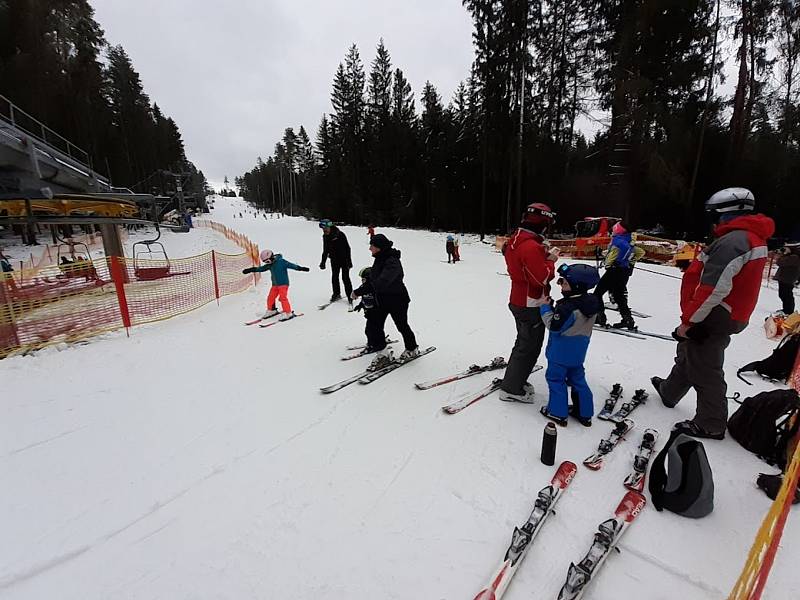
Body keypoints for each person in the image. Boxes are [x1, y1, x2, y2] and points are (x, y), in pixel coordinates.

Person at [652, 188, 775, 439]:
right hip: (724, 310)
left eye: (714, 215)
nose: (713, 221)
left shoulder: (734, 241)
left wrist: (689, 322)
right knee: (689, 353)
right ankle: (670, 390)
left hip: (716, 313)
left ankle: (711, 422)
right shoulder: (747, 237)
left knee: (706, 366)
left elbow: (713, 289)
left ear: (725, 213)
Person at [499, 202, 558, 403]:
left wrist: (543, 254)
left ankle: (515, 381)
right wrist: (551, 260)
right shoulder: (530, 246)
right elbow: (540, 278)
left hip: (520, 299)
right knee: (529, 346)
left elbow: (523, 267)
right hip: (529, 302)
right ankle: (511, 388)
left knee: (524, 343)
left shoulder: (517, 239)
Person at [540, 263, 601, 427]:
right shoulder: (592, 303)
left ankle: (557, 413)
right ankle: (584, 413)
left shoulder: (567, 307)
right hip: (578, 352)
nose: (560, 285)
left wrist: (545, 308)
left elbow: (554, 326)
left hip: (560, 353)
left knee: (556, 380)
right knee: (578, 380)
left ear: (576, 286)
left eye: (564, 282)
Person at [352, 233, 418, 370]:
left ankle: (412, 348)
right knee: (373, 325)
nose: (370, 248)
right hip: (382, 300)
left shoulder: (392, 261)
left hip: (397, 300)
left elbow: (382, 282)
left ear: (379, 247)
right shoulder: (379, 258)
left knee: (402, 325)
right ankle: (383, 354)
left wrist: (360, 292)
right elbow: (373, 280)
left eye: (372, 246)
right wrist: (359, 291)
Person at [594, 221, 644, 329]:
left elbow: (615, 253)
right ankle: (628, 320)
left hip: (614, 270)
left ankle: (599, 316)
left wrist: (608, 263)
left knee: (598, 293)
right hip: (624, 271)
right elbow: (640, 252)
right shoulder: (629, 240)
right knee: (618, 295)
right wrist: (629, 261)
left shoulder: (618, 240)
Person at [243, 249, 310, 320]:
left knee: (282, 298)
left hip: (283, 284)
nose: (267, 263)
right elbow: (261, 269)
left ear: (271, 257)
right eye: (265, 262)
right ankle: (272, 310)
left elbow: (292, 265)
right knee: (270, 297)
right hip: (275, 285)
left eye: (268, 261)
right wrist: (250, 270)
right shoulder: (269, 265)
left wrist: (301, 268)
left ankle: (288, 313)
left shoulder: (281, 262)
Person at [319, 219, 353, 305]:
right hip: (334, 260)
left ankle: (350, 296)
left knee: (345, 278)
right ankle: (336, 293)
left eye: (326, 228)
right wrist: (323, 262)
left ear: (330, 227)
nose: (324, 230)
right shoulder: (325, 236)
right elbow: (325, 250)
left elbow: (348, 248)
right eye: (323, 229)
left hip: (344, 260)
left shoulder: (340, 235)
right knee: (334, 277)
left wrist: (349, 261)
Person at [775, 245, 800, 315]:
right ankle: (786, 309)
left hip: (788, 278)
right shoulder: (792, 256)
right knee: (784, 294)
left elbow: (780, 262)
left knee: (786, 294)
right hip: (786, 277)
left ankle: (788, 311)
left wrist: (781, 255)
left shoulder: (794, 257)